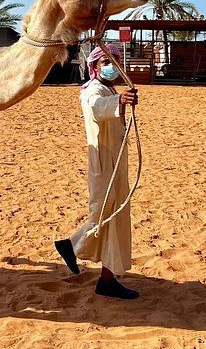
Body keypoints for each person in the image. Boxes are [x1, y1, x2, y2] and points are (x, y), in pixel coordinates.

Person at [54, 43, 140, 300]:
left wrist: (121, 100)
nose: (112, 66)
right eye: (106, 62)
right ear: (95, 65)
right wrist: (119, 100)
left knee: (115, 216)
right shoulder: (93, 89)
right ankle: (73, 247)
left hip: (116, 160)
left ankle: (107, 277)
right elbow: (95, 108)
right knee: (103, 215)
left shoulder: (108, 88)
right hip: (103, 162)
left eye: (114, 60)